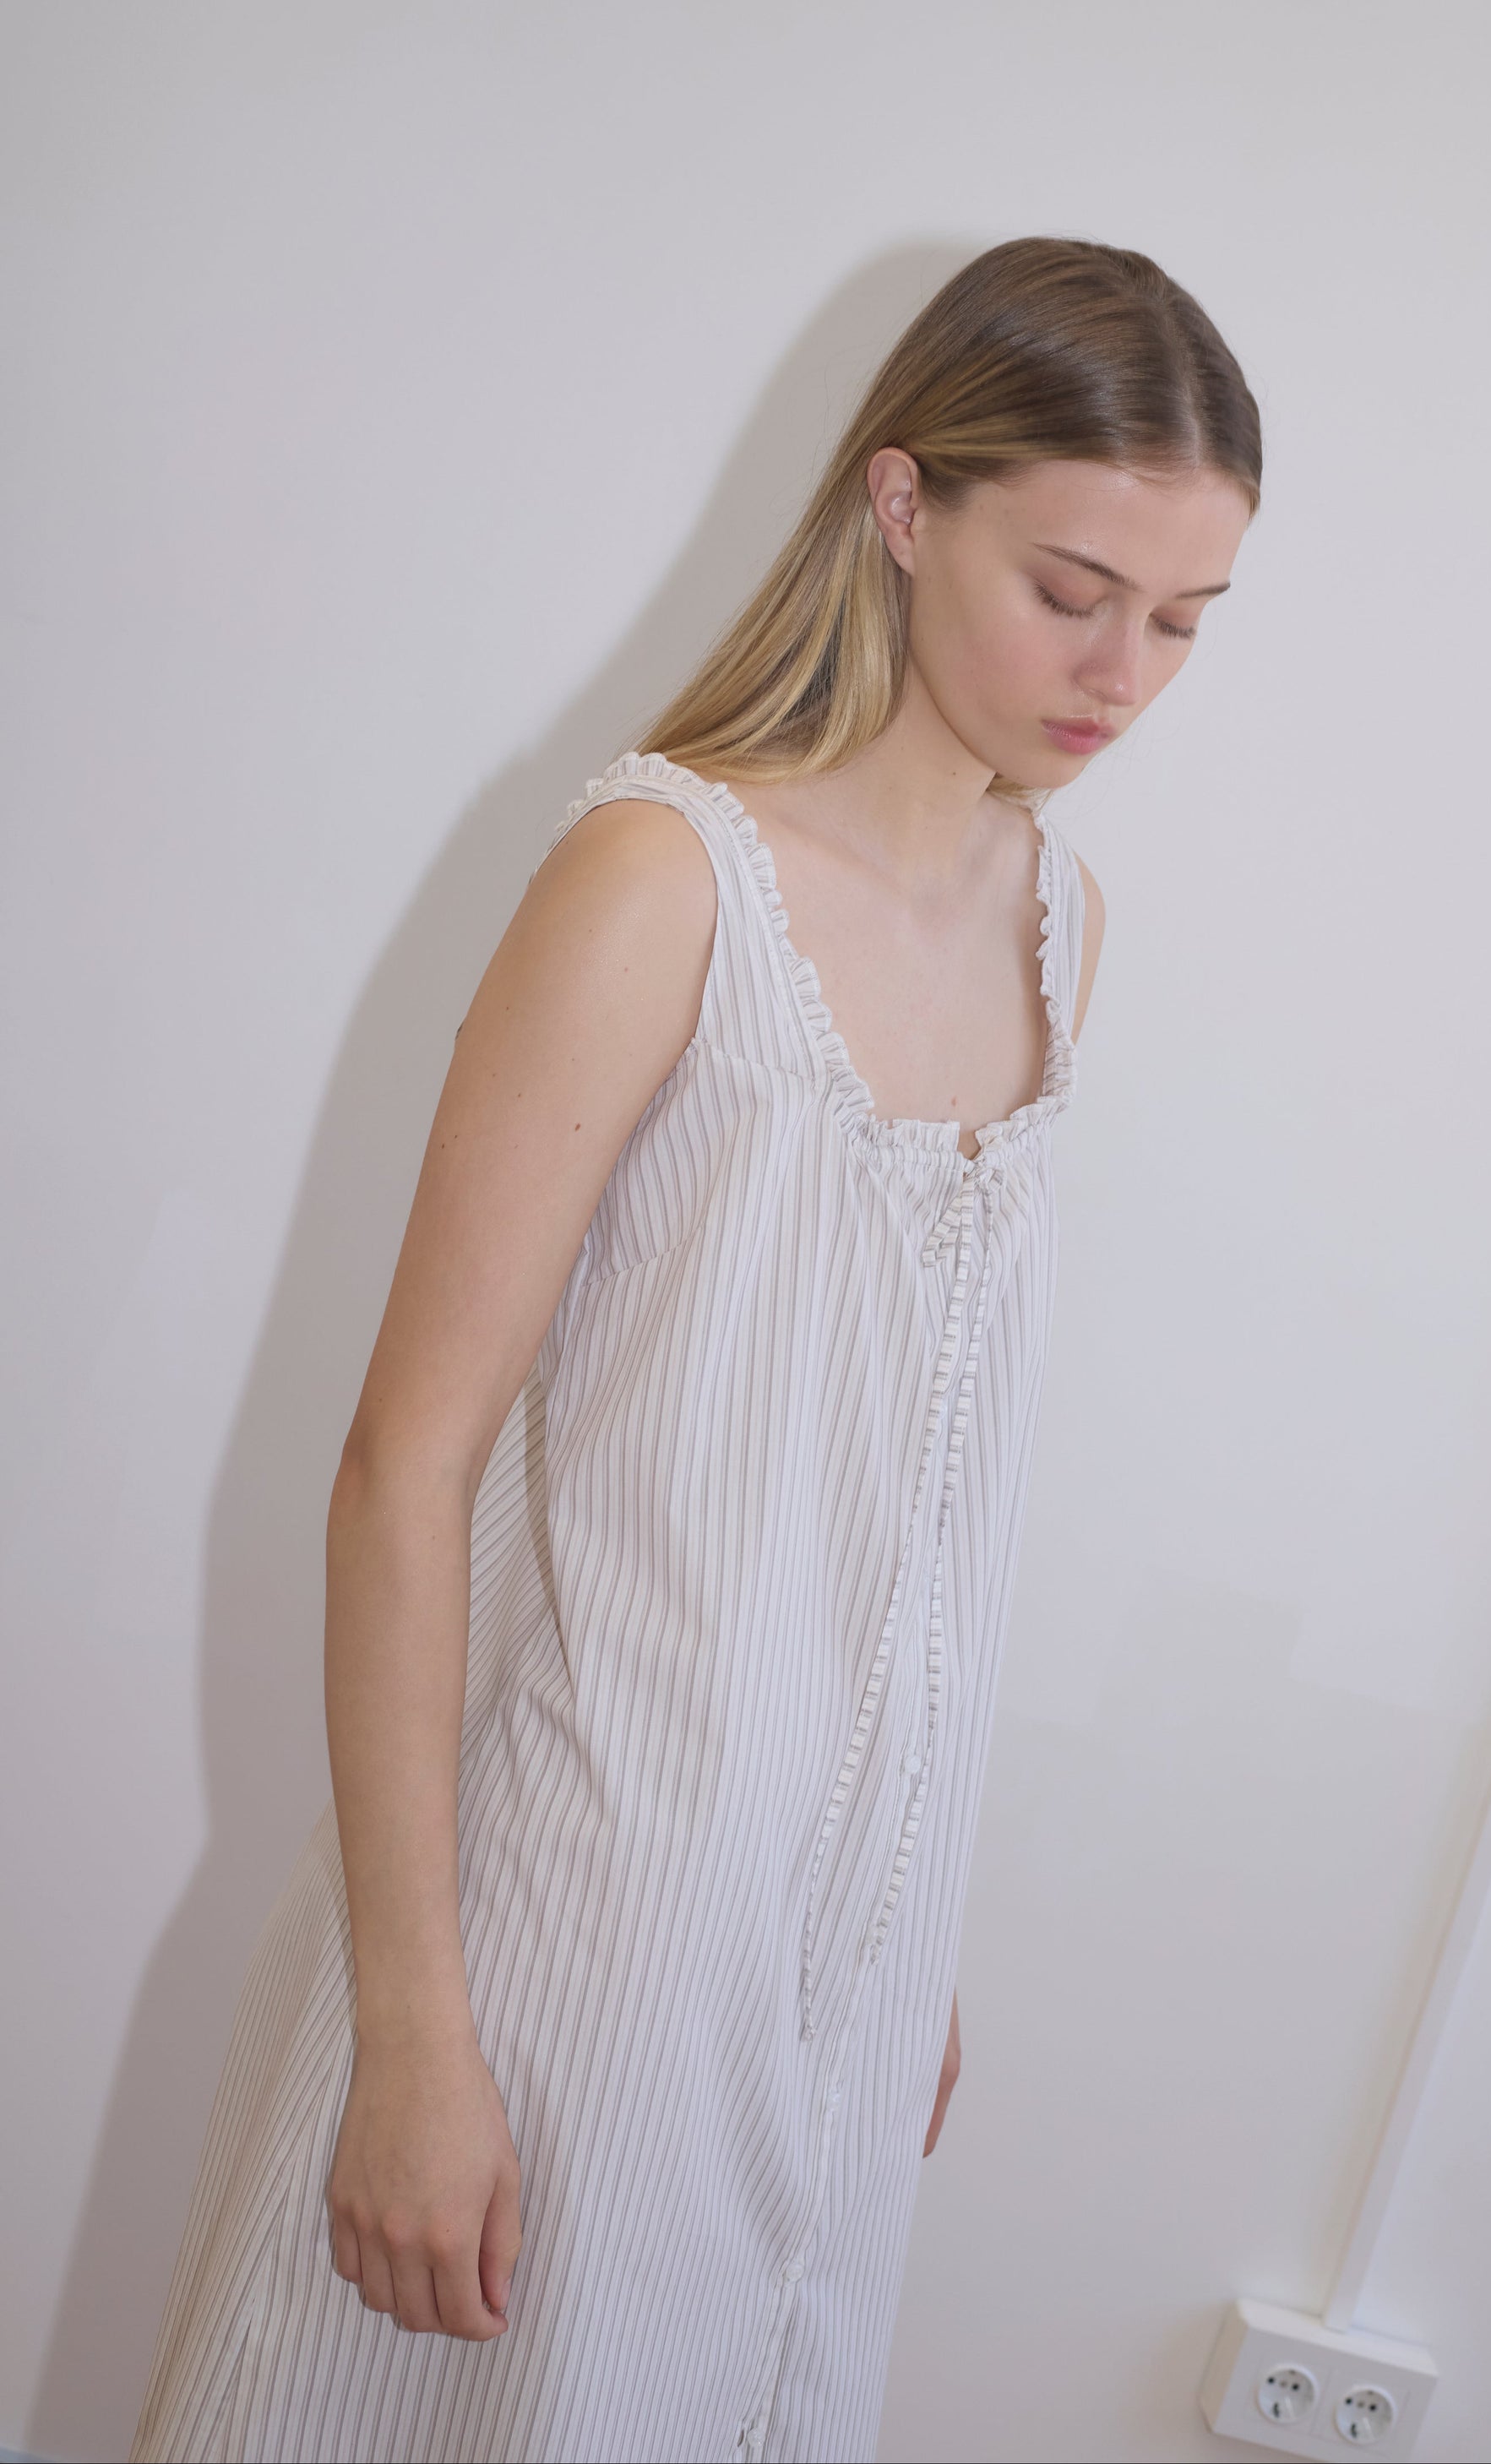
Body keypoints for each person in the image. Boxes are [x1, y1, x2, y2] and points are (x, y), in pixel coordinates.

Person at [130, 235, 1258, 2464]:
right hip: (574, 1930)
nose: (1120, 671)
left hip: (834, 1964)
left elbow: (915, 1484)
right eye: (1072, 588)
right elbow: (403, 1469)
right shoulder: (659, 881)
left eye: (1184, 621)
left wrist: (892, 1934)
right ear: (902, 500)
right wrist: (415, 2036)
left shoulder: (1064, 923)